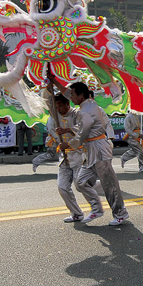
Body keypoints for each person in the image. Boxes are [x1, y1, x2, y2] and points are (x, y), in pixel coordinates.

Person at [59, 81, 130, 226]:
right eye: (70, 94)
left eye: (73, 94)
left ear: (81, 95)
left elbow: (82, 134)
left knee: (109, 183)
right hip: (89, 150)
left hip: (99, 148)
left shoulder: (86, 110)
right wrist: (54, 80)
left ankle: (120, 213)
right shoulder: (86, 105)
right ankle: (97, 208)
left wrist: (67, 144)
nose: (70, 97)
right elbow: (67, 94)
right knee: (80, 181)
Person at [44, 88, 88, 223]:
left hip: (79, 155)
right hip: (65, 158)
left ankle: (98, 187)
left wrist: (68, 137)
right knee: (62, 186)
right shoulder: (55, 117)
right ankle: (76, 213)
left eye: (60, 106)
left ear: (67, 104)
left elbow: (83, 129)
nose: (58, 109)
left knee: (80, 185)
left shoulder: (76, 114)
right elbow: (47, 102)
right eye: (56, 106)